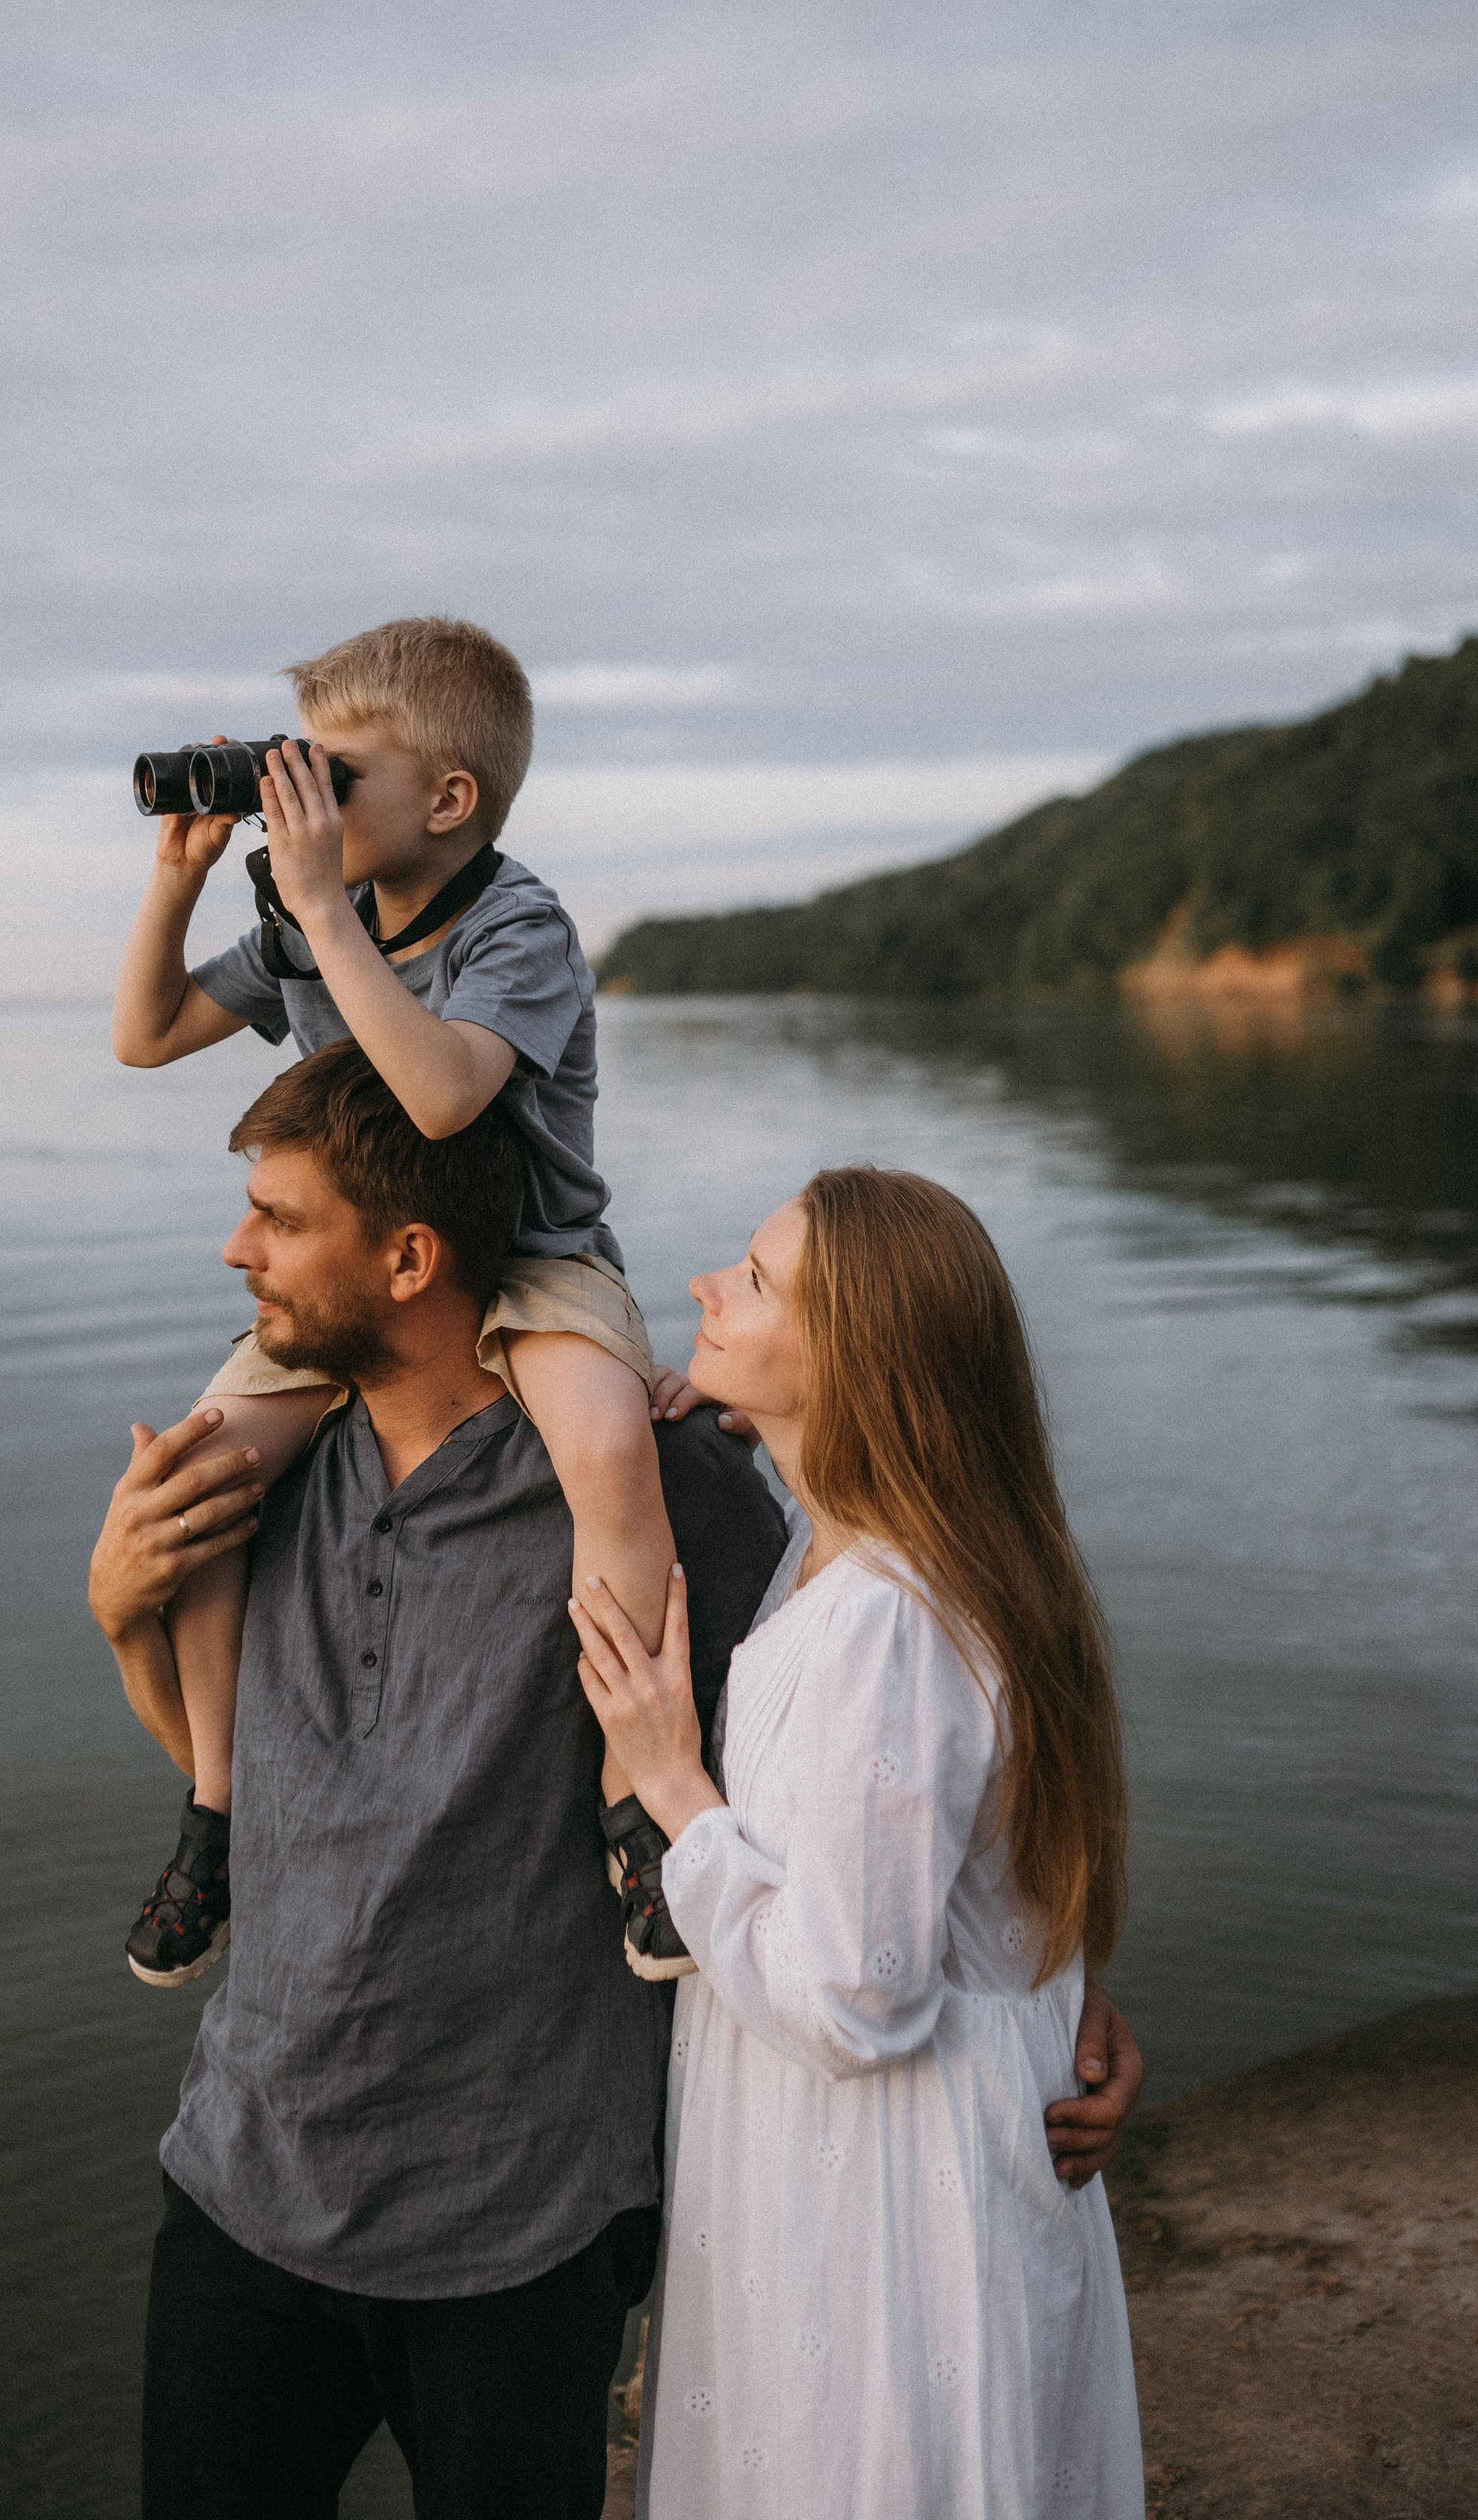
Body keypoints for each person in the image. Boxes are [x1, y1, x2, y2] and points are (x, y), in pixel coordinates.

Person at [88, 1055, 1147, 2518]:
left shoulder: (670, 1491)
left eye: (277, 1217)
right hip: (244, 2189)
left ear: (409, 1258)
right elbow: (266, 1801)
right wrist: (125, 1612)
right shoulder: (260, 1480)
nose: (233, 1251)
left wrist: (1050, 1990)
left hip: (521, 2226)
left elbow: (900, 1791)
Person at [108, 615, 692, 1986]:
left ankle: (640, 1803)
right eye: (292, 771)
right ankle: (218, 1810)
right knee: (198, 1485)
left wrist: (314, 906)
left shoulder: (521, 928)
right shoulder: (314, 924)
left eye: (334, 774)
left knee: (609, 1449)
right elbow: (142, 1038)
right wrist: (179, 878)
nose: (298, 802)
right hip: (357, 1275)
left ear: (450, 800)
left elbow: (442, 1095)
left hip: (535, 1257)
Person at [572, 1167, 1145, 2518]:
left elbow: (850, 1993)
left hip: (892, 2200)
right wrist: (725, 1402)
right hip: (927, 2149)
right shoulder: (883, 1553)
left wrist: (674, 1788)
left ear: (863, 1365)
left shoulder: (882, 1617)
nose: (707, 1284)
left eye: (757, 1282)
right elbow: (973, 1877)